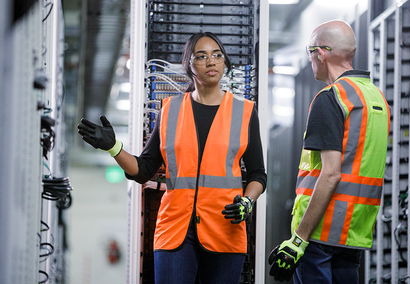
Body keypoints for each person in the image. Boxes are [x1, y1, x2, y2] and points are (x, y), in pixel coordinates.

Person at [77, 32, 267, 284]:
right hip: (175, 228)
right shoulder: (170, 110)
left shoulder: (245, 111)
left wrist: (247, 202)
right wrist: (113, 147)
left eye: (217, 55)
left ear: (225, 63)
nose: (211, 61)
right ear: (189, 65)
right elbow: (143, 169)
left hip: (224, 227)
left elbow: (258, 174)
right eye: (202, 56)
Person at [268, 20, 390, 283]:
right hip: (352, 233)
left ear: (320, 54)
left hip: (319, 233)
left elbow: (331, 174)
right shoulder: (376, 99)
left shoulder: (331, 97)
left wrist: (298, 240)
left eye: (309, 53)